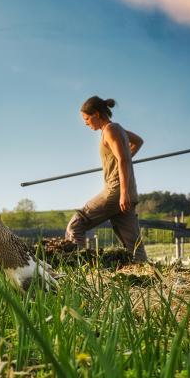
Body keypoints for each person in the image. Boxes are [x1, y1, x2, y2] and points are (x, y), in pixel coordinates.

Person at [65, 96, 148, 262]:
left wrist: (123, 193)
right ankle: (145, 272)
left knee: (76, 224)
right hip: (128, 192)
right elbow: (138, 142)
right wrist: (120, 159)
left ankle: (78, 267)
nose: (86, 123)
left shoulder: (110, 130)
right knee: (133, 243)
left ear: (96, 114)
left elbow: (123, 160)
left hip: (116, 192)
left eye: (87, 118)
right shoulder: (117, 130)